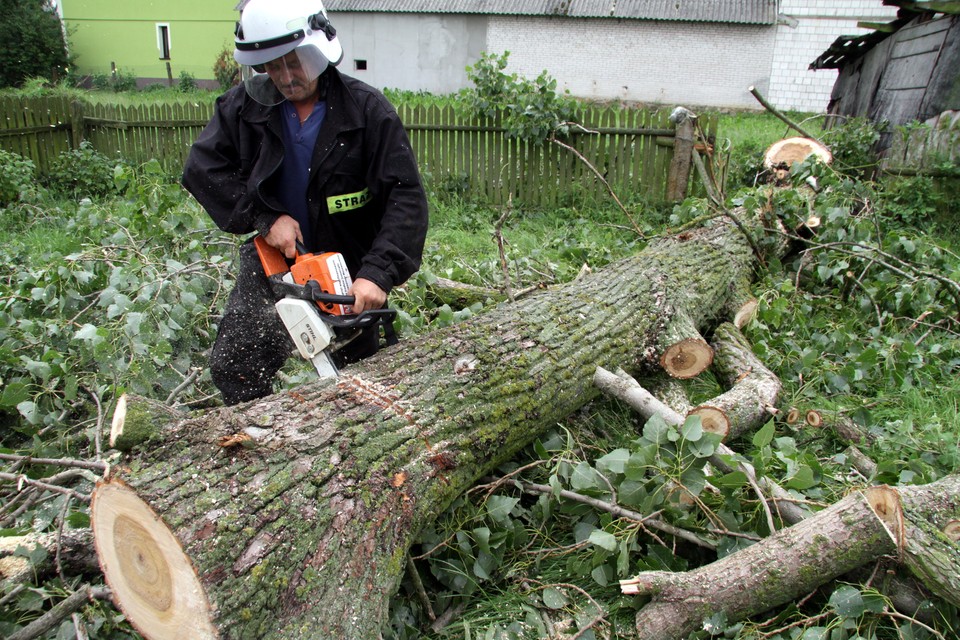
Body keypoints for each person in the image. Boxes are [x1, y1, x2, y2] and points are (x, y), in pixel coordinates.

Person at [182, 0, 428, 405]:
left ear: (318, 50)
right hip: (275, 265)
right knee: (237, 363)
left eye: (294, 63)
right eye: (273, 65)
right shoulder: (245, 108)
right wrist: (265, 217)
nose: (285, 76)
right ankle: (253, 439)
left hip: (345, 268)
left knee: (355, 381)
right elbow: (202, 169)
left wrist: (377, 274)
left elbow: (406, 199)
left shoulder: (367, 112)